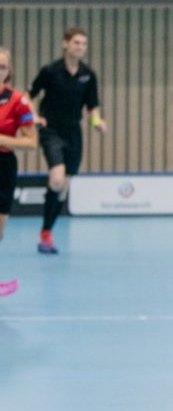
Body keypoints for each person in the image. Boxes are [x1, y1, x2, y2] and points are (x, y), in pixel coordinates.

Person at [27, 27, 107, 255]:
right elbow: (28, 95)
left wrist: (97, 122)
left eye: (83, 43)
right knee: (57, 178)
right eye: (76, 43)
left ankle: (46, 234)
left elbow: (92, 106)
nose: (80, 47)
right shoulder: (50, 71)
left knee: (62, 187)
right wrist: (32, 116)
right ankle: (45, 233)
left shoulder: (88, 75)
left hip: (74, 132)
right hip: (50, 130)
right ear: (65, 44)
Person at [0, 46, 37, 295]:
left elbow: (31, 142)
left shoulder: (19, 101)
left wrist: (3, 139)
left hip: (4, 166)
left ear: (9, 71)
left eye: (2, 67)